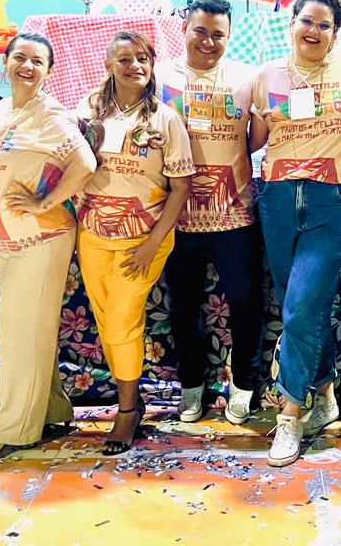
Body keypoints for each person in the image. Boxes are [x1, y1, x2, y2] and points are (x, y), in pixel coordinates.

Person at [250, 0, 341, 467]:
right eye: (307, 20)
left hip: (333, 199)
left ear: (335, 33)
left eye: (324, 24)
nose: (314, 30)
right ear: (292, 23)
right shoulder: (267, 76)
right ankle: (325, 394)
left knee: (301, 304)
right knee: (300, 305)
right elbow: (258, 139)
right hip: (279, 198)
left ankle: (289, 416)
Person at [0, 33, 97, 464]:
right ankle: (51, 410)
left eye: (37, 61)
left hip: (41, 239)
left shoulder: (51, 115)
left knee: (17, 330)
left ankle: (10, 430)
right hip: (7, 239)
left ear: (49, 70)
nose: (27, 66)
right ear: (5, 62)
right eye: (19, 57)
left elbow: (85, 164)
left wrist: (45, 203)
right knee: (31, 328)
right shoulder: (3, 109)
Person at [77, 31, 194, 455]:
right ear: (108, 64)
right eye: (124, 59)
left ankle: (127, 410)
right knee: (106, 319)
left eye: (142, 58)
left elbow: (181, 187)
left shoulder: (165, 119)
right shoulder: (88, 111)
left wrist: (151, 244)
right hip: (92, 233)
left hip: (144, 238)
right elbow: (68, 164)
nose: (135, 66)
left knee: (122, 319)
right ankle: (132, 398)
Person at [154, 0, 263, 425]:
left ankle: (245, 387)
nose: (208, 41)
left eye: (218, 34)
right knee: (184, 306)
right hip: (178, 215)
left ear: (229, 36)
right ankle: (191, 386)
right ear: (184, 29)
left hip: (236, 213)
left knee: (245, 304)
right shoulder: (161, 77)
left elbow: (255, 138)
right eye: (200, 31)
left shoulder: (246, 78)